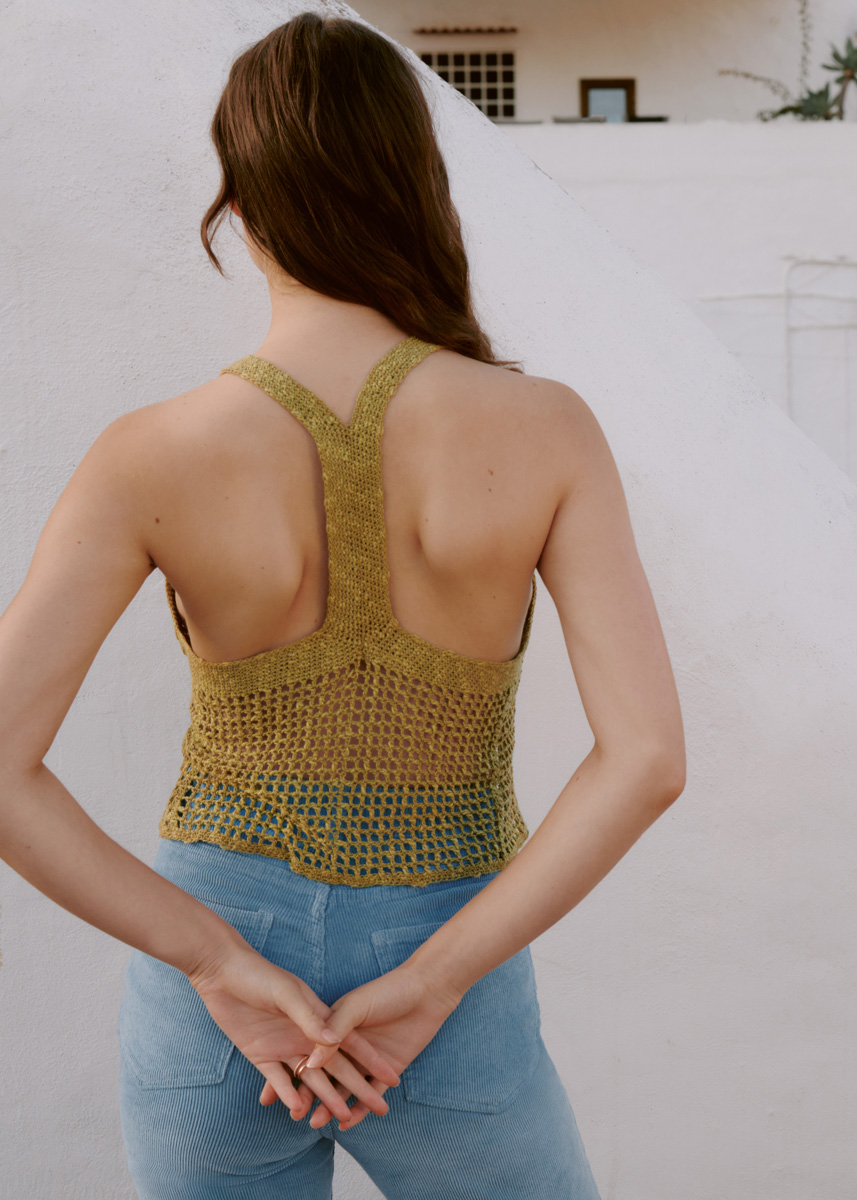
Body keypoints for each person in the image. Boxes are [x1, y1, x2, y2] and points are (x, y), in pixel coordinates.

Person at [0, 11, 686, 1199]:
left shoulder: (149, 455)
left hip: (223, 993)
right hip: (447, 974)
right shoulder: (544, 431)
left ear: (238, 205)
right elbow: (647, 760)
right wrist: (434, 978)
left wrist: (213, 961)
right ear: (413, 183)